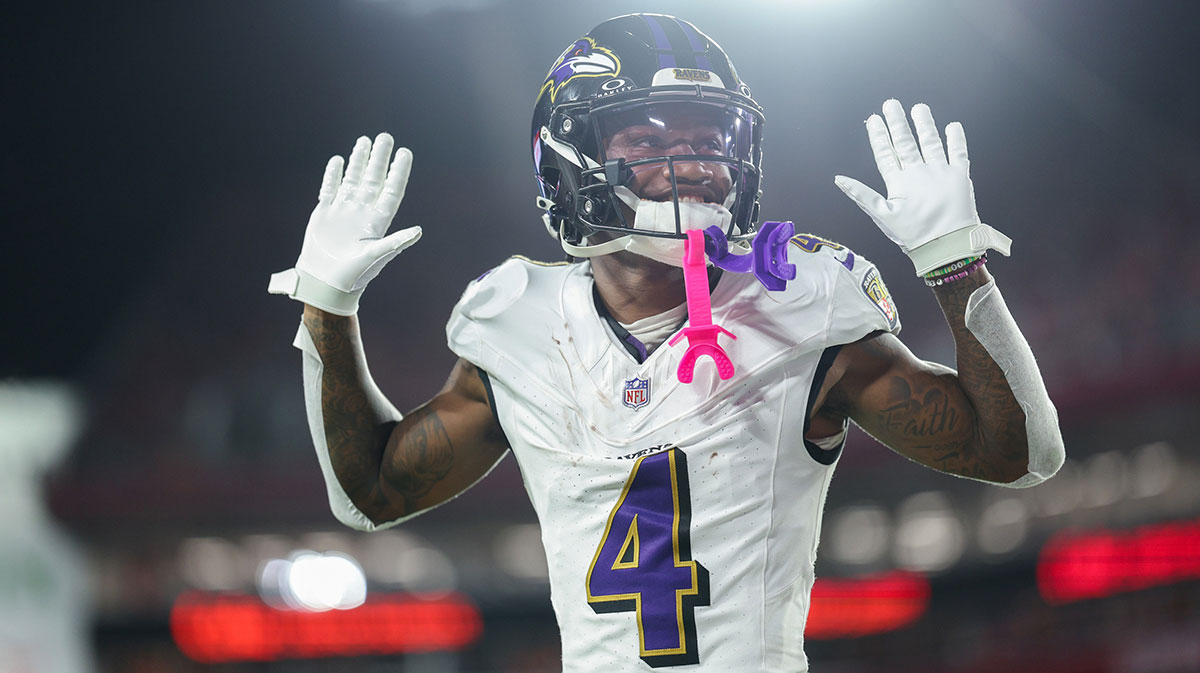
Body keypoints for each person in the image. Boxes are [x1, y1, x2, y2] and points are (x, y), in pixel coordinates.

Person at [268, 13, 1064, 672]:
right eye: (651, 142)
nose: (702, 164)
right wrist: (326, 311)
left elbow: (1021, 453)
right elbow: (369, 491)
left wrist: (957, 268)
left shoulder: (803, 304)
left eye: (711, 138)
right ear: (570, 161)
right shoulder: (514, 320)